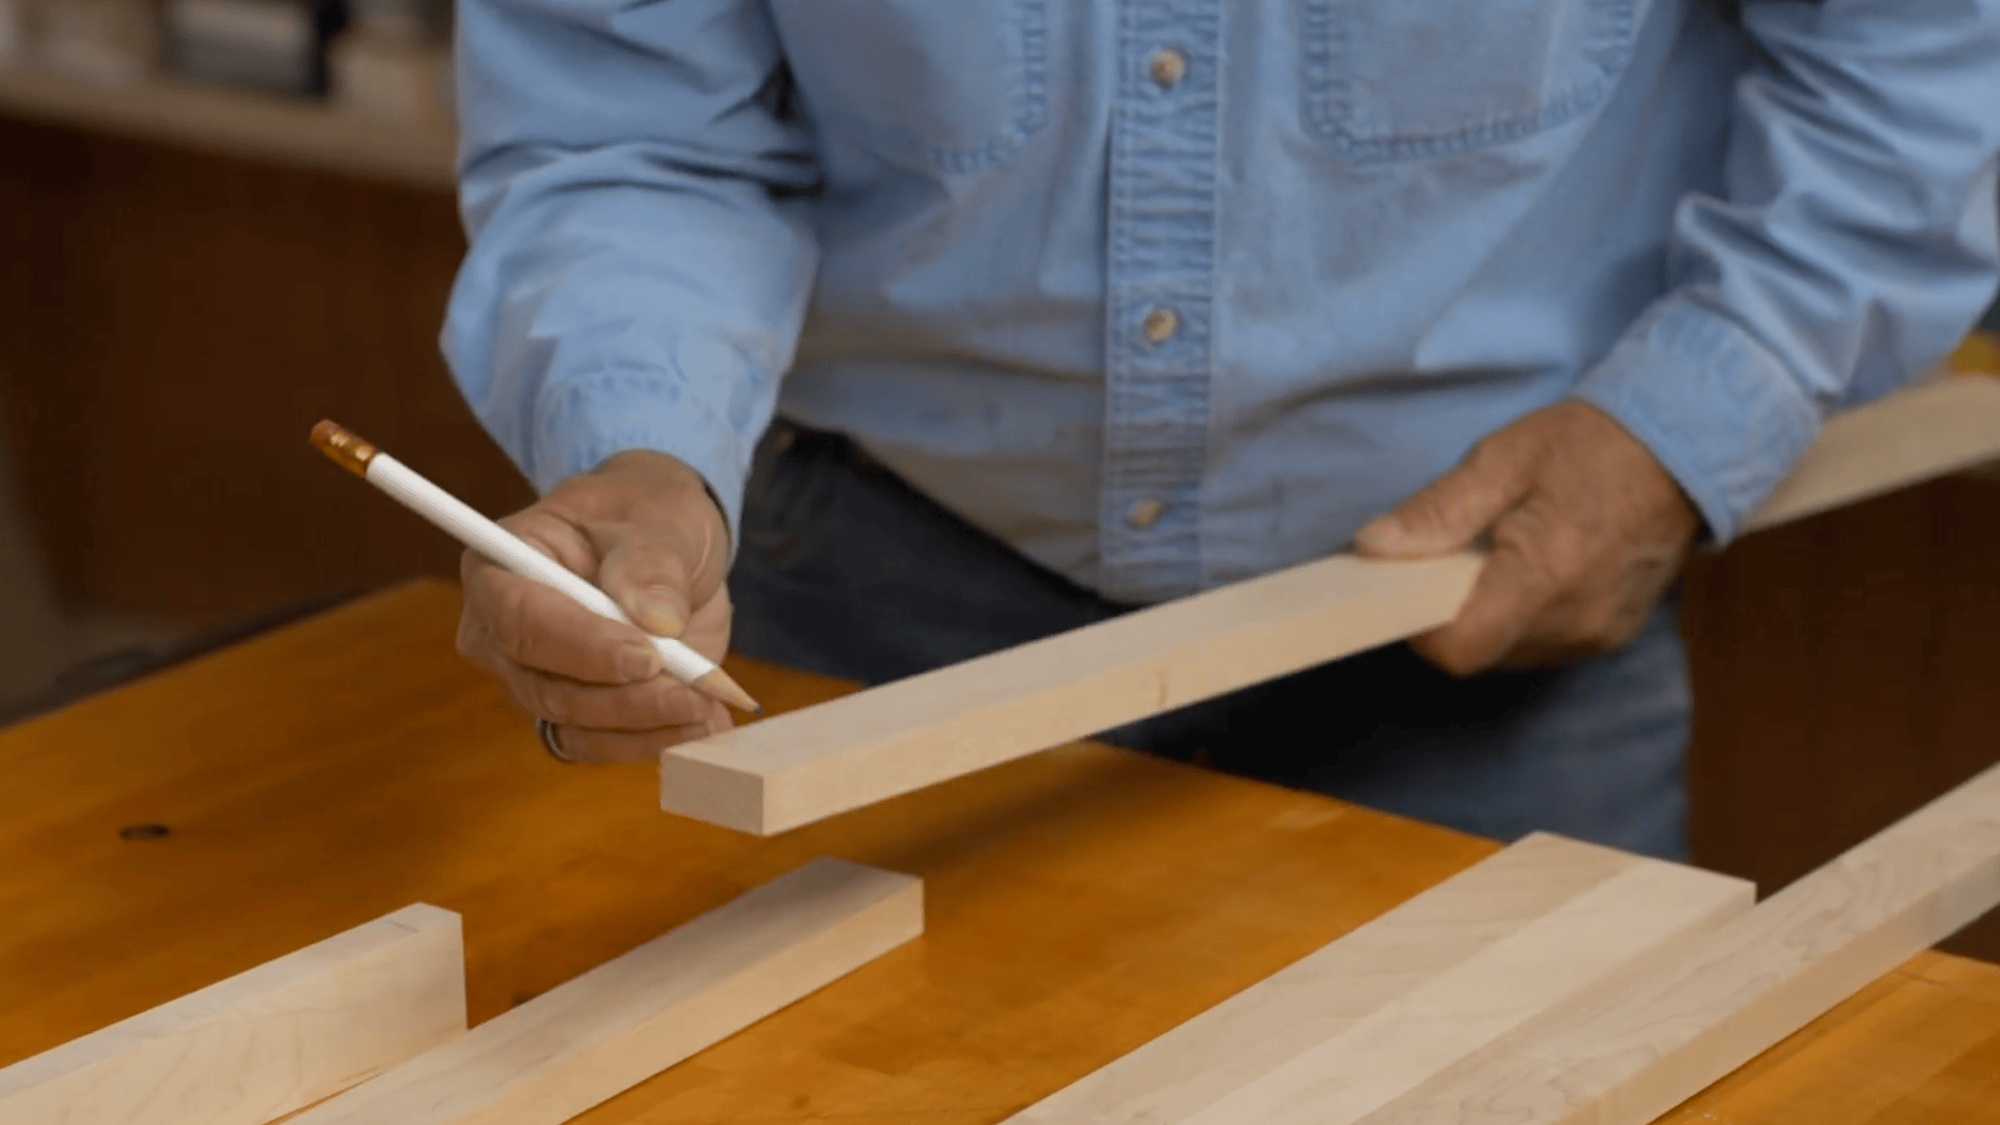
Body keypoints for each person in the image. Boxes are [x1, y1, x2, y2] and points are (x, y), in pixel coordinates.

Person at [440, 0, 2000, 859]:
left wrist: (1680, 421)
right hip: (873, 599)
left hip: (1489, 620)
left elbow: (1917, 53)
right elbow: (633, 131)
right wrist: (641, 444)